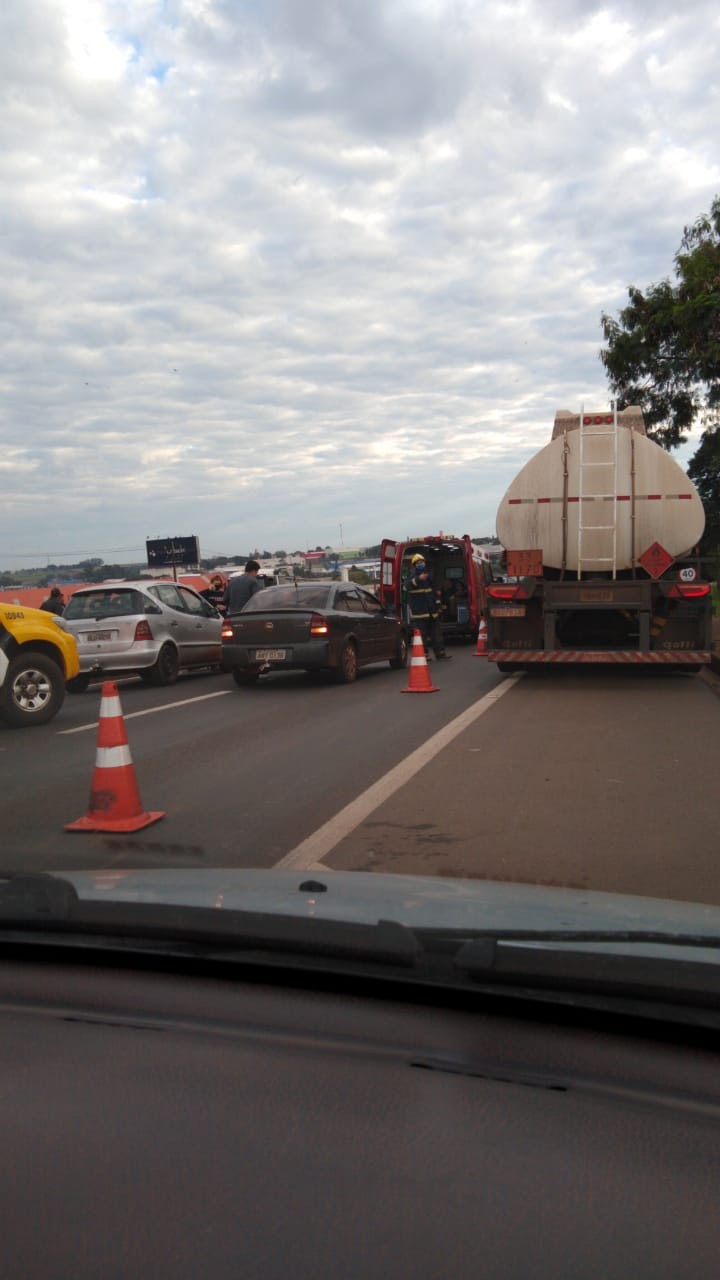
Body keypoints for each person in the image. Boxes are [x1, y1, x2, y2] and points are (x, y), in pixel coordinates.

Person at [405, 554, 451, 660]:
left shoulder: (429, 577)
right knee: (422, 635)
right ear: (414, 565)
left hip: (432, 611)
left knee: (437, 634)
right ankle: (424, 655)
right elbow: (407, 586)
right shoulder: (412, 577)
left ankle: (440, 653)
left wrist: (439, 605)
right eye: (418, 563)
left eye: (422, 562)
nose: (421, 564)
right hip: (420, 613)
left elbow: (435, 593)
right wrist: (418, 579)